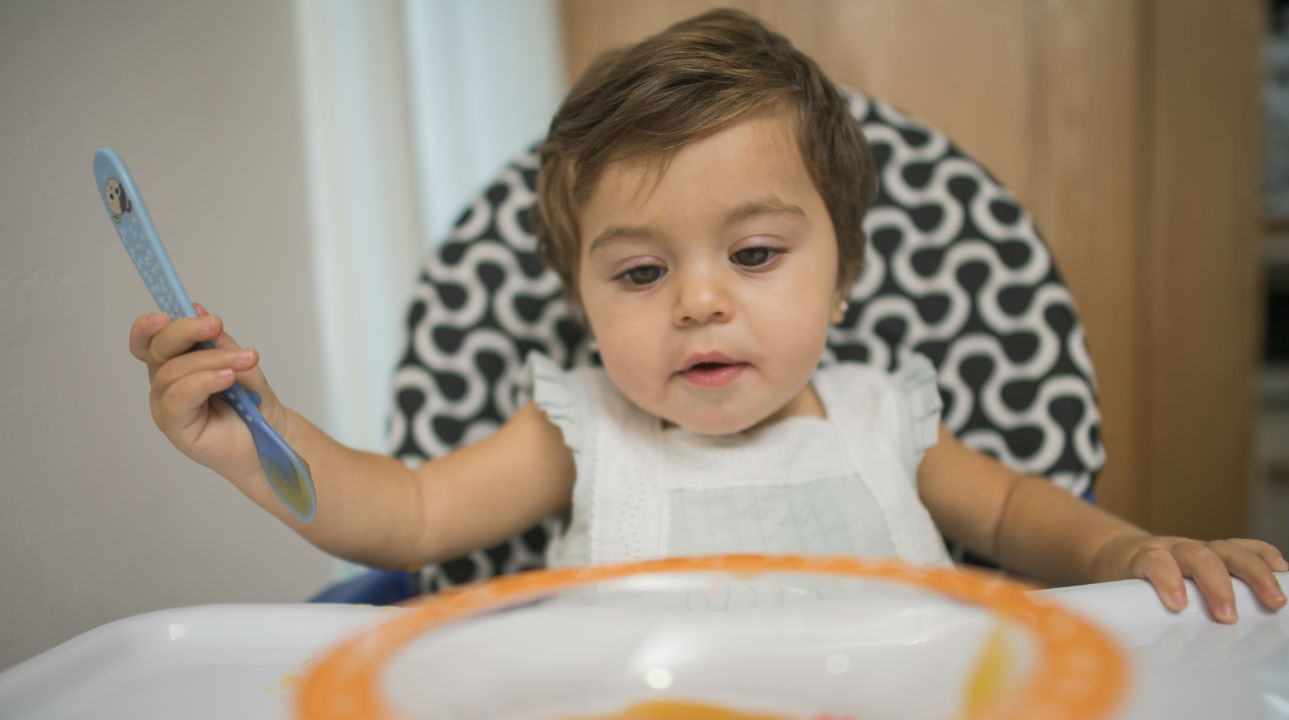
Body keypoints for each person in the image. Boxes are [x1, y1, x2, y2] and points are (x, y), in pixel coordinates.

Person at [129, 8, 1286, 622]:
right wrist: (261, 438)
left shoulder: (888, 418)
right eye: (637, 275)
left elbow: (1035, 518)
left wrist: (1132, 551)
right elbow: (412, 512)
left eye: (754, 253)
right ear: (578, 298)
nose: (697, 300)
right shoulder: (577, 429)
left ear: (840, 275)